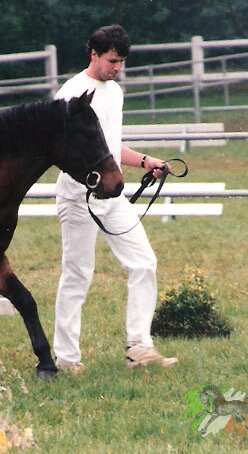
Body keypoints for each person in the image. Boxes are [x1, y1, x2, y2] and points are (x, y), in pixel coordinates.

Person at [52, 25, 177, 374]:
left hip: (112, 196)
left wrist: (145, 161)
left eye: (121, 62)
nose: (117, 68)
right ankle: (66, 358)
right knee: (77, 275)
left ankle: (140, 347)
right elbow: (60, 149)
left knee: (143, 262)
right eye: (111, 61)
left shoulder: (115, 92)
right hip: (78, 198)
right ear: (93, 54)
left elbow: (109, 147)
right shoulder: (72, 93)